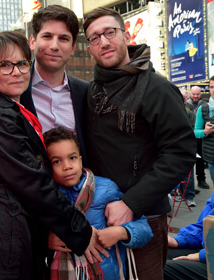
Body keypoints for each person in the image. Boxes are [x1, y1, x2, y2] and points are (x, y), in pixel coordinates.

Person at [0, 31, 97, 280]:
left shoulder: (9, 107)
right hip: (7, 233)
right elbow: (31, 181)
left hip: (18, 225)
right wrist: (79, 230)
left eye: (21, 64)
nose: (17, 72)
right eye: (5, 65)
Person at [83, 7, 196, 279]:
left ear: (125, 35)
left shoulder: (156, 88)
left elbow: (180, 154)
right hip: (99, 217)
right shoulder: (93, 90)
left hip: (144, 216)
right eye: (95, 38)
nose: (104, 42)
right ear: (90, 49)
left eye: (110, 32)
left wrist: (131, 203)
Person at [44, 127, 153, 280]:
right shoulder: (44, 198)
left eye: (72, 158)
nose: (67, 166)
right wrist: (45, 240)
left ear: (81, 160)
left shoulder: (105, 189)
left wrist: (121, 233)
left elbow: (145, 229)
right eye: (57, 161)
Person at [21, 5, 89, 164]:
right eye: (47, 36)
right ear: (33, 42)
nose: (54, 46)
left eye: (63, 38)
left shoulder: (85, 92)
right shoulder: (15, 87)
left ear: (72, 48)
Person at [163, 190, 214, 280]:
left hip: (210, 254)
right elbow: (204, 224)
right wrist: (180, 240)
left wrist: (202, 255)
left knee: (159, 268)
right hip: (207, 248)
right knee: (155, 254)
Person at [186, 86, 209, 190]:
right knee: (188, 161)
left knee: (201, 159)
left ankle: (201, 180)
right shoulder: (185, 105)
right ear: (190, 93)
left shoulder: (204, 105)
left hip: (200, 137)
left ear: (201, 94)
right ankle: (189, 186)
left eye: (198, 94)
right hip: (188, 137)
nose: (195, 96)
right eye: (194, 94)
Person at [194, 76, 214, 186]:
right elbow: (195, 132)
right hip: (211, 155)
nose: (213, 90)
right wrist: (205, 132)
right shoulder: (203, 108)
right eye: (211, 87)